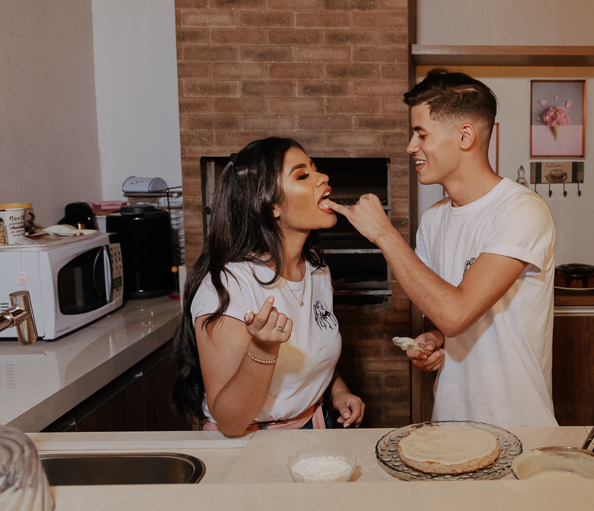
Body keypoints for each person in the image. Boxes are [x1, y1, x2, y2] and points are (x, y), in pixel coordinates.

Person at [326, 69, 557, 427]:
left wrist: (385, 235)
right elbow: (448, 318)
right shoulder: (434, 219)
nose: (410, 147)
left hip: (516, 423)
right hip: (451, 419)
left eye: (421, 134)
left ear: (465, 136)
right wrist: (436, 341)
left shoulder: (523, 210)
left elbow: (456, 312)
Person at [172, 137, 365, 436]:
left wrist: (337, 391)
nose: (323, 177)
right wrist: (263, 348)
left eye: (315, 169)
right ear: (270, 205)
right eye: (303, 175)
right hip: (249, 445)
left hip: (315, 428)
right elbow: (231, 422)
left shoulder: (316, 269)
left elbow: (309, 349)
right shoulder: (225, 286)